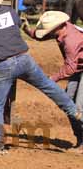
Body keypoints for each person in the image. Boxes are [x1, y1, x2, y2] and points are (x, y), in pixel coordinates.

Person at [0, 0, 83, 157]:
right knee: (49, 86)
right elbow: (17, 24)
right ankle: (75, 111)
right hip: (24, 59)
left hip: (3, 64)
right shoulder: (10, 11)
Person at [23, 11, 83, 151]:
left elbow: (69, 69)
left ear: (56, 27)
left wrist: (52, 79)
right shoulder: (63, 28)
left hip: (76, 68)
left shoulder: (70, 41)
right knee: (69, 102)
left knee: (78, 106)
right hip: (79, 67)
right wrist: (27, 30)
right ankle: (81, 139)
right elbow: (41, 36)